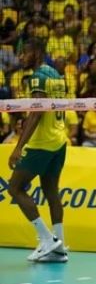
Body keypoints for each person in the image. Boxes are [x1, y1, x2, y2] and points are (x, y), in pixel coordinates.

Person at [6, 39, 69, 262]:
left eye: (25, 53)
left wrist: (18, 147)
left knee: (15, 188)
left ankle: (47, 240)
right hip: (60, 140)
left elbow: (37, 112)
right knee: (51, 190)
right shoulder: (57, 75)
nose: (21, 57)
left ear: (36, 52)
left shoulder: (38, 77)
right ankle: (60, 246)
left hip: (41, 143)